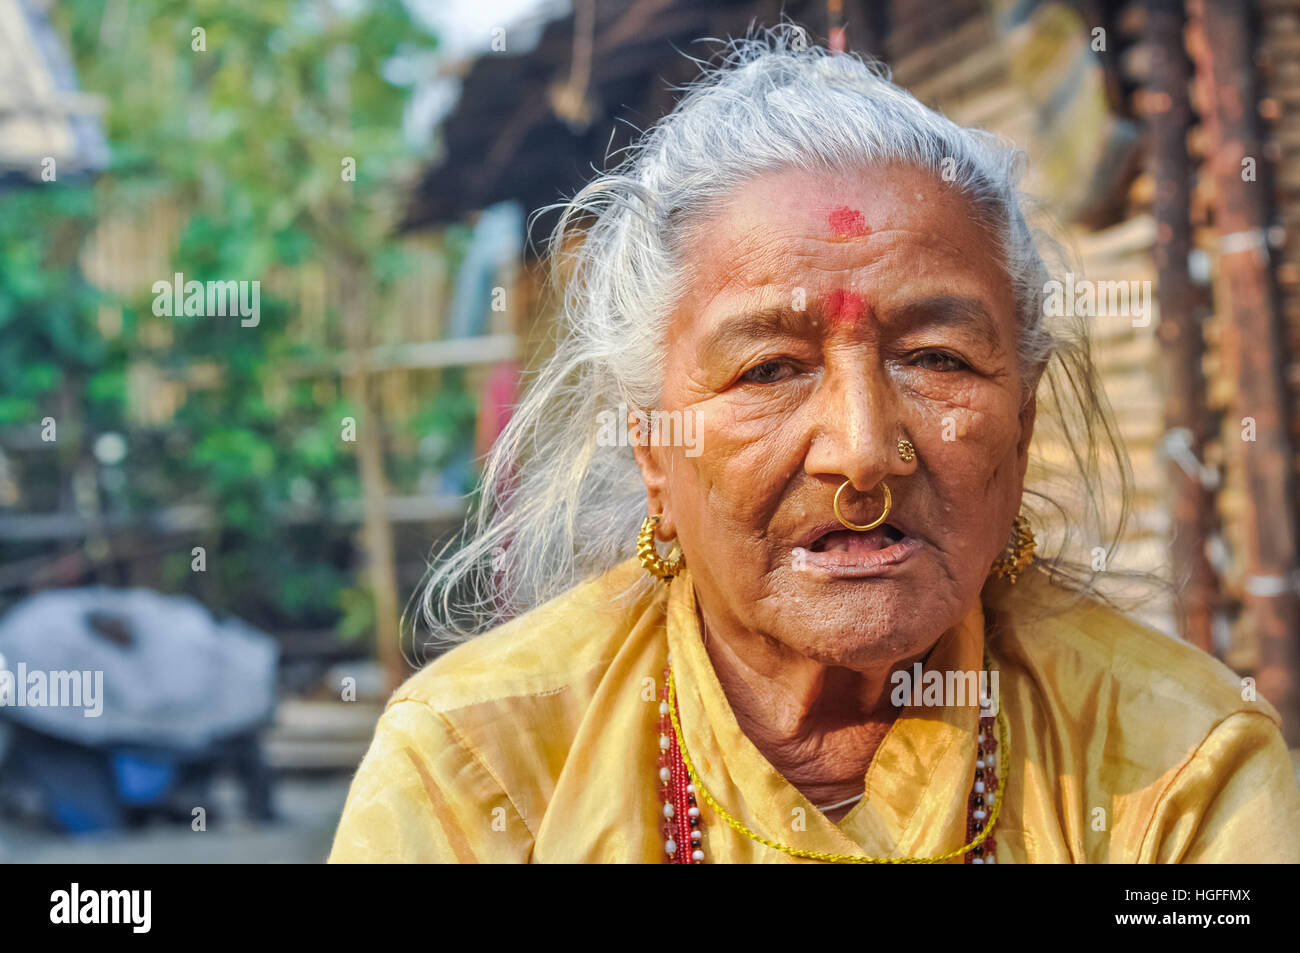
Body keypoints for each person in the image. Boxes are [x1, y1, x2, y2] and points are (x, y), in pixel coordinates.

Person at [329, 31, 1300, 863]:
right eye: (768, 370)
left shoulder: (1177, 768)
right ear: (652, 445)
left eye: (936, 357)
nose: (863, 450)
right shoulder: (474, 770)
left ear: (1026, 414)